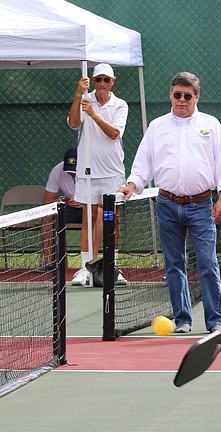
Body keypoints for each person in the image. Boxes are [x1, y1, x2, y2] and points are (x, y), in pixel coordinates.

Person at [118, 72, 221, 334]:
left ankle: (215, 321)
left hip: (202, 204)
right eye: (177, 95)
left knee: (207, 263)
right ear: (171, 95)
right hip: (167, 203)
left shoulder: (211, 125)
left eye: (187, 96)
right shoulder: (157, 127)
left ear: (197, 97)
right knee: (174, 265)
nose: (182, 100)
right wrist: (132, 185)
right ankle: (183, 320)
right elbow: (142, 164)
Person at [68, 63, 128, 286]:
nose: (101, 84)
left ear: (112, 82)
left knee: (112, 219)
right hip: (87, 170)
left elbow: (114, 133)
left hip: (112, 171)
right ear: (92, 82)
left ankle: (113, 267)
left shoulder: (120, 105)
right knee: (87, 217)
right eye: (98, 80)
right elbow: (74, 124)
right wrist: (77, 95)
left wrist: (92, 113)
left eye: (106, 80)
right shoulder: (84, 99)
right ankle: (85, 268)